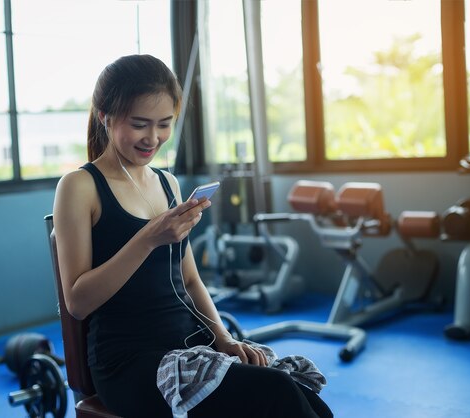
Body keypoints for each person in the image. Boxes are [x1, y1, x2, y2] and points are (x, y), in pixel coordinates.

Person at [53, 54, 333, 418]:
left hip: (190, 347)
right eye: (139, 124)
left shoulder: (167, 183)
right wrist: (149, 238)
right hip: (128, 364)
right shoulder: (79, 186)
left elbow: (189, 278)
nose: (153, 138)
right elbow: (77, 301)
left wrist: (224, 338)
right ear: (106, 116)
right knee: (276, 394)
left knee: (303, 394)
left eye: (164, 124)